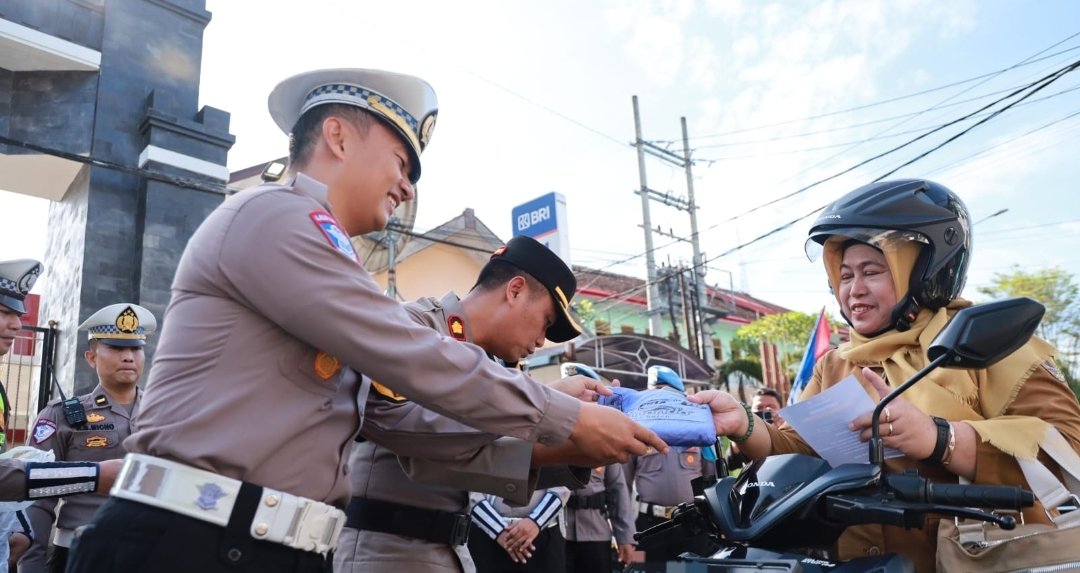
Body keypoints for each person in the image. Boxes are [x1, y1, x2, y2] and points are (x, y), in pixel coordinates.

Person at [65, 68, 666, 573]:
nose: (407, 188)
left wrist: (568, 437)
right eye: (402, 162)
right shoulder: (279, 216)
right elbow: (405, 348)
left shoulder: (326, 254)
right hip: (191, 539)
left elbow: (407, 426)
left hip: (253, 542)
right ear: (338, 136)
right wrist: (561, 412)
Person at [689, 178, 1080, 572]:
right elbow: (797, 453)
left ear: (924, 271)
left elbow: (1070, 450)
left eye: (872, 271)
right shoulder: (836, 363)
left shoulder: (988, 339)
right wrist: (744, 424)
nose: (854, 290)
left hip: (977, 559)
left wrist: (940, 438)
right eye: (844, 276)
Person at [335, 235, 592, 573]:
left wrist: (578, 449)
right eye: (546, 321)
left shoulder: (494, 365)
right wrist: (549, 404)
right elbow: (416, 436)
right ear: (515, 291)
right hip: (386, 551)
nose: (541, 340)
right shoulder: (413, 327)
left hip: (450, 551)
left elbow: (481, 457)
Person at [20, 303, 156, 573]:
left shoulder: (166, 414)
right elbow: (37, 496)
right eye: (116, 348)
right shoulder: (61, 415)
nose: (128, 357)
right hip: (79, 552)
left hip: (151, 552)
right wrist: (31, 565)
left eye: (135, 348)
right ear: (91, 358)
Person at [624, 365, 716, 563]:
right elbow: (622, 486)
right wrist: (625, 534)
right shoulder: (635, 431)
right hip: (648, 526)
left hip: (691, 524)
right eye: (655, 393)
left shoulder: (698, 430)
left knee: (692, 571)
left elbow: (711, 482)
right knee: (645, 569)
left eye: (667, 394)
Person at [468, 488, 569, 573]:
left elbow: (562, 485)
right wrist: (497, 529)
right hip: (488, 534)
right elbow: (470, 489)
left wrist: (536, 522)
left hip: (543, 534)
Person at [563, 463, 635, 573]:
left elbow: (619, 489)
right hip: (559, 533)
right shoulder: (551, 450)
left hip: (597, 533)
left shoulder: (607, 452)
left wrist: (625, 538)